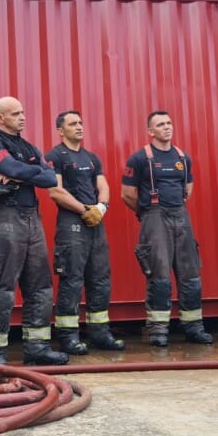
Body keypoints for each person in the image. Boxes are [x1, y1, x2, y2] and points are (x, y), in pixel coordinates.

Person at [0, 96, 68, 366]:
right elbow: (12, 166)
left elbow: (51, 178)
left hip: (31, 219)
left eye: (23, 112)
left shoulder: (28, 145)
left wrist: (19, 174)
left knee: (40, 285)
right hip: (5, 218)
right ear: (0, 118)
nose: (22, 117)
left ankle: (37, 348)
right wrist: (27, 171)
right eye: (15, 113)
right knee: (2, 286)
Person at [121, 110, 213, 347]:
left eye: (169, 123)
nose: (167, 127)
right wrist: (146, 213)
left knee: (190, 275)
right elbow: (127, 194)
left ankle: (194, 327)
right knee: (159, 276)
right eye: (161, 125)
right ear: (150, 131)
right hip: (154, 216)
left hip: (181, 216)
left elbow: (188, 188)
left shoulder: (183, 157)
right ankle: (158, 331)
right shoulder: (139, 159)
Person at [44, 110, 124, 354]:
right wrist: (84, 210)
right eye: (72, 124)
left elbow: (104, 186)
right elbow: (54, 191)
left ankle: (99, 332)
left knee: (100, 279)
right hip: (72, 224)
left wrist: (100, 208)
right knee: (72, 279)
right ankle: (68, 336)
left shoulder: (91, 157)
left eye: (80, 122)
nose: (79, 127)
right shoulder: (55, 156)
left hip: (95, 223)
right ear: (61, 130)